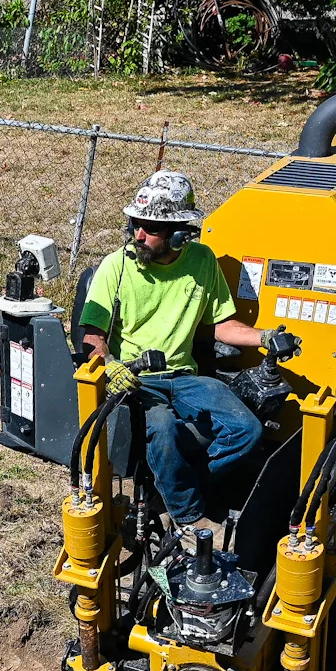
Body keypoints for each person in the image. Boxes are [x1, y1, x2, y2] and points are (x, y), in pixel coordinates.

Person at [78, 171, 298, 537]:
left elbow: (221, 325)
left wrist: (267, 337)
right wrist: (111, 365)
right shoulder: (115, 267)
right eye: (135, 224)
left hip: (184, 376)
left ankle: (171, 494)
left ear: (179, 234)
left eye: (150, 228)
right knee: (162, 428)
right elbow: (92, 336)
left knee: (248, 431)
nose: (138, 235)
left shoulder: (202, 262)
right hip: (137, 380)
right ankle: (189, 517)